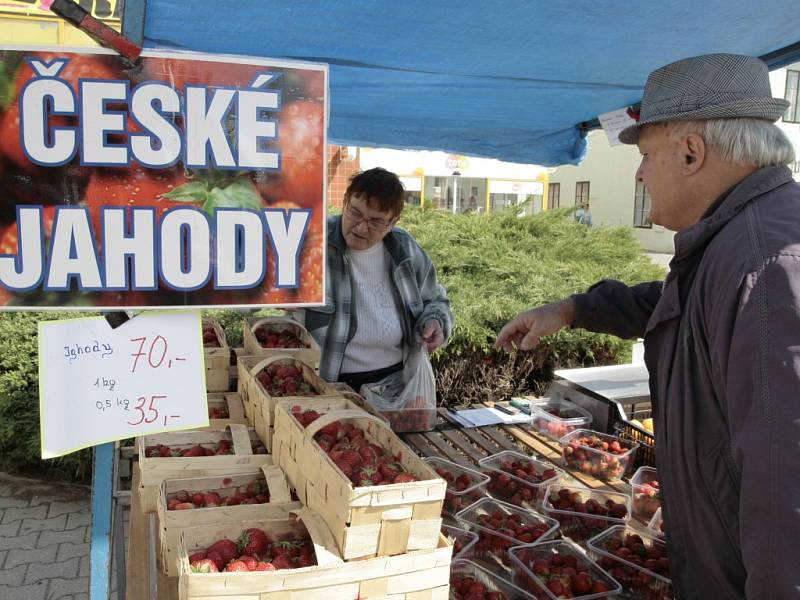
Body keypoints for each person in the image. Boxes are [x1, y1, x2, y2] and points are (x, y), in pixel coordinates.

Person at [496, 54, 799, 599]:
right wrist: (570, 310)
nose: (638, 174)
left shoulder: (766, 265)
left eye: (644, 155)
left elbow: (788, 494)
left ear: (690, 152)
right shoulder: (734, 244)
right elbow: (674, 304)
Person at [302, 167, 453, 391]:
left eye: (375, 221)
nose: (361, 227)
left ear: (393, 221)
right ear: (345, 201)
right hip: (328, 382)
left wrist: (436, 321)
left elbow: (437, 301)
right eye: (355, 213)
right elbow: (252, 296)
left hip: (397, 382)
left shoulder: (406, 250)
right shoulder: (312, 242)